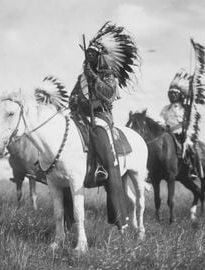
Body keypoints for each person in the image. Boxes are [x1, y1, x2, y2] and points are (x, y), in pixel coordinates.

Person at [69, 22, 140, 230]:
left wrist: (95, 80)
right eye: (87, 54)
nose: (88, 58)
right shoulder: (81, 77)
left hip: (100, 117)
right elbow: (73, 96)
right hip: (81, 116)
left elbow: (108, 96)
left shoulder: (107, 75)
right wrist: (74, 103)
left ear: (99, 57)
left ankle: (104, 170)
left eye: (92, 55)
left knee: (101, 138)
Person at [158, 69, 199, 178]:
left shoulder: (186, 109)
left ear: (180, 95)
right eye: (170, 93)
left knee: (190, 148)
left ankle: (193, 169)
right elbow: (161, 120)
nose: (171, 95)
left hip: (182, 134)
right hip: (168, 134)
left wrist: (186, 131)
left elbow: (191, 123)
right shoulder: (165, 108)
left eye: (174, 93)